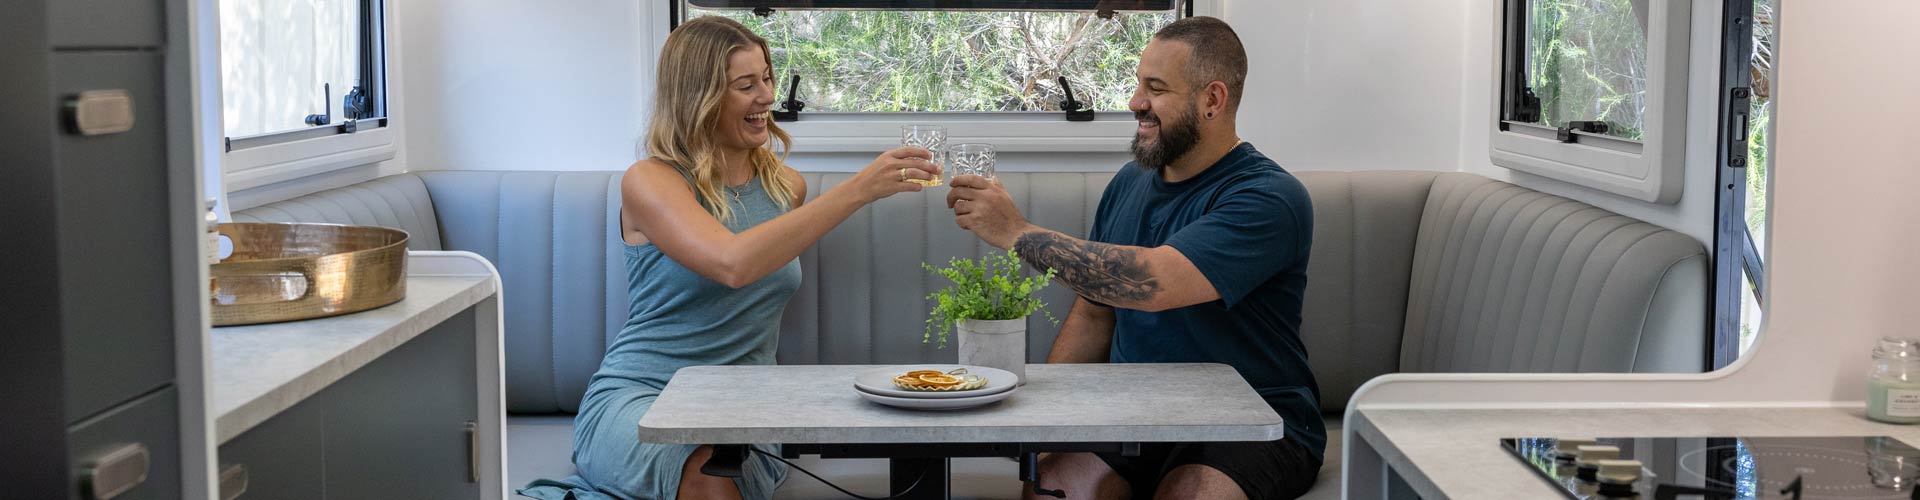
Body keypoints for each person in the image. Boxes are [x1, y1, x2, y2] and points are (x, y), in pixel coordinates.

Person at [519, 16, 939, 500]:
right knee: (704, 476)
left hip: (745, 407)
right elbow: (731, 264)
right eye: (746, 85)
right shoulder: (651, 180)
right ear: (699, 98)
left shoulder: (786, 188)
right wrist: (856, 191)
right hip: (643, 396)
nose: (766, 97)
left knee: (717, 470)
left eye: (767, 77)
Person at [945, 16, 1323, 500]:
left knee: (1189, 493)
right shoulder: (1129, 182)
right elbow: (1093, 311)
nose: (1135, 103)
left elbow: (1153, 283)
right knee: (1052, 487)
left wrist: (1017, 232)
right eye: (1138, 84)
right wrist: (1046, 427)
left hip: (1257, 421)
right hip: (1139, 416)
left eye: (1156, 88)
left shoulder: (1269, 197)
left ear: (1212, 100)